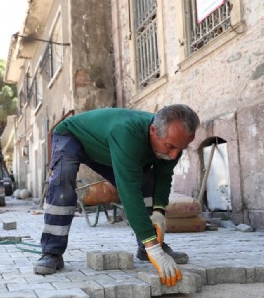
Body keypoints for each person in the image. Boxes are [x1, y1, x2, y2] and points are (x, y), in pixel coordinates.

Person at [35, 105, 200, 287]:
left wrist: (159, 211)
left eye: (181, 148)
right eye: (170, 147)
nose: (175, 154)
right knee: (63, 181)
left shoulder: (173, 140)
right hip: (73, 136)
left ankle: (145, 247)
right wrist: (156, 250)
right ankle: (51, 252)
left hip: (106, 146)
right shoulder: (128, 134)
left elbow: (163, 177)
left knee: (147, 180)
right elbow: (129, 192)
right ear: (153, 131)